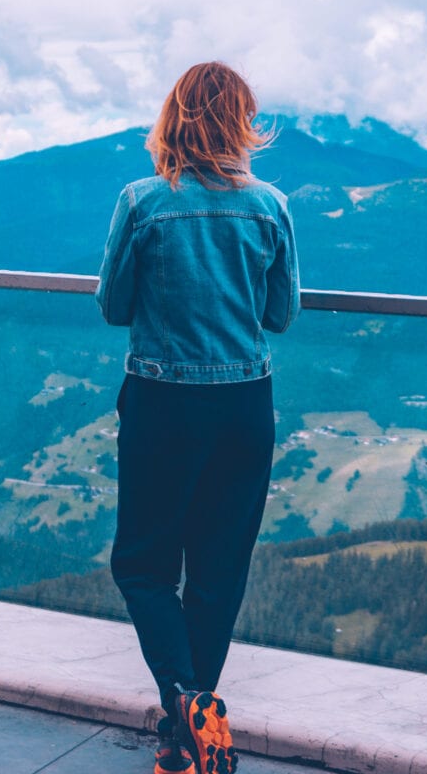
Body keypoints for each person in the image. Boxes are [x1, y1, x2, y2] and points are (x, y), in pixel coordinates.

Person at [97, 61, 300, 774]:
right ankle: (187, 739)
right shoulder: (271, 206)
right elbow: (279, 314)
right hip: (246, 405)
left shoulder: (142, 202)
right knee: (218, 571)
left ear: (172, 120)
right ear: (243, 125)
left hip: (163, 403)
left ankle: (184, 702)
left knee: (142, 565)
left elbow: (115, 306)